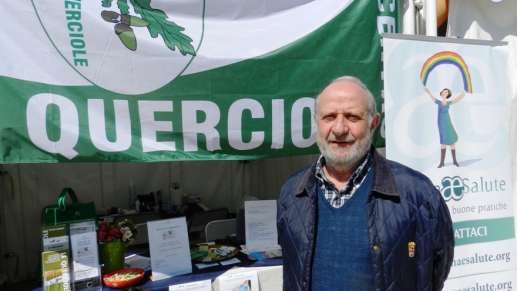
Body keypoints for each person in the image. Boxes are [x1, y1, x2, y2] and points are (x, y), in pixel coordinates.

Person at [277, 76, 454, 291]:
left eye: (352, 117)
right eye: (329, 117)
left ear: (373, 123)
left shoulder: (418, 194)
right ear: (317, 123)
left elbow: (435, 269)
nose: (340, 128)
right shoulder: (292, 193)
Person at [424, 87, 465, 167]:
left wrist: (463, 93)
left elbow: (457, 99)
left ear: (448, 94)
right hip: (441, 124)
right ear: (441, 93)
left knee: (452, 142)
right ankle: (442, 162)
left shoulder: (449, 102)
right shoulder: (438, 102)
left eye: (446, 92)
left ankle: (455, 161)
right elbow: (432, 98)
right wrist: (428, 92)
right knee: (443, 142)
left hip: (448, 123)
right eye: (444, 91)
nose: (445, 92)